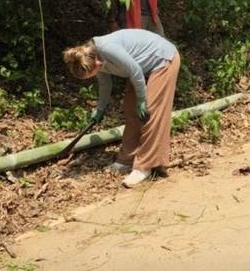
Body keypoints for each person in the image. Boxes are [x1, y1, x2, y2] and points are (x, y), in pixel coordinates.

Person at [63, 28, 180, 187]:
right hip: (142, 68)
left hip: (163, 59)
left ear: (96, 63)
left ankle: (145, 166)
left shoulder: (106, 49)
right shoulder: (90, 57)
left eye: (91, 75)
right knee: (131, 110)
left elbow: (135, 70)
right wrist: (100, 109)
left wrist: (141, 100)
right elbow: (105, 83)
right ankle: (126, 160)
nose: (94, 76)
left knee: (150, 111)